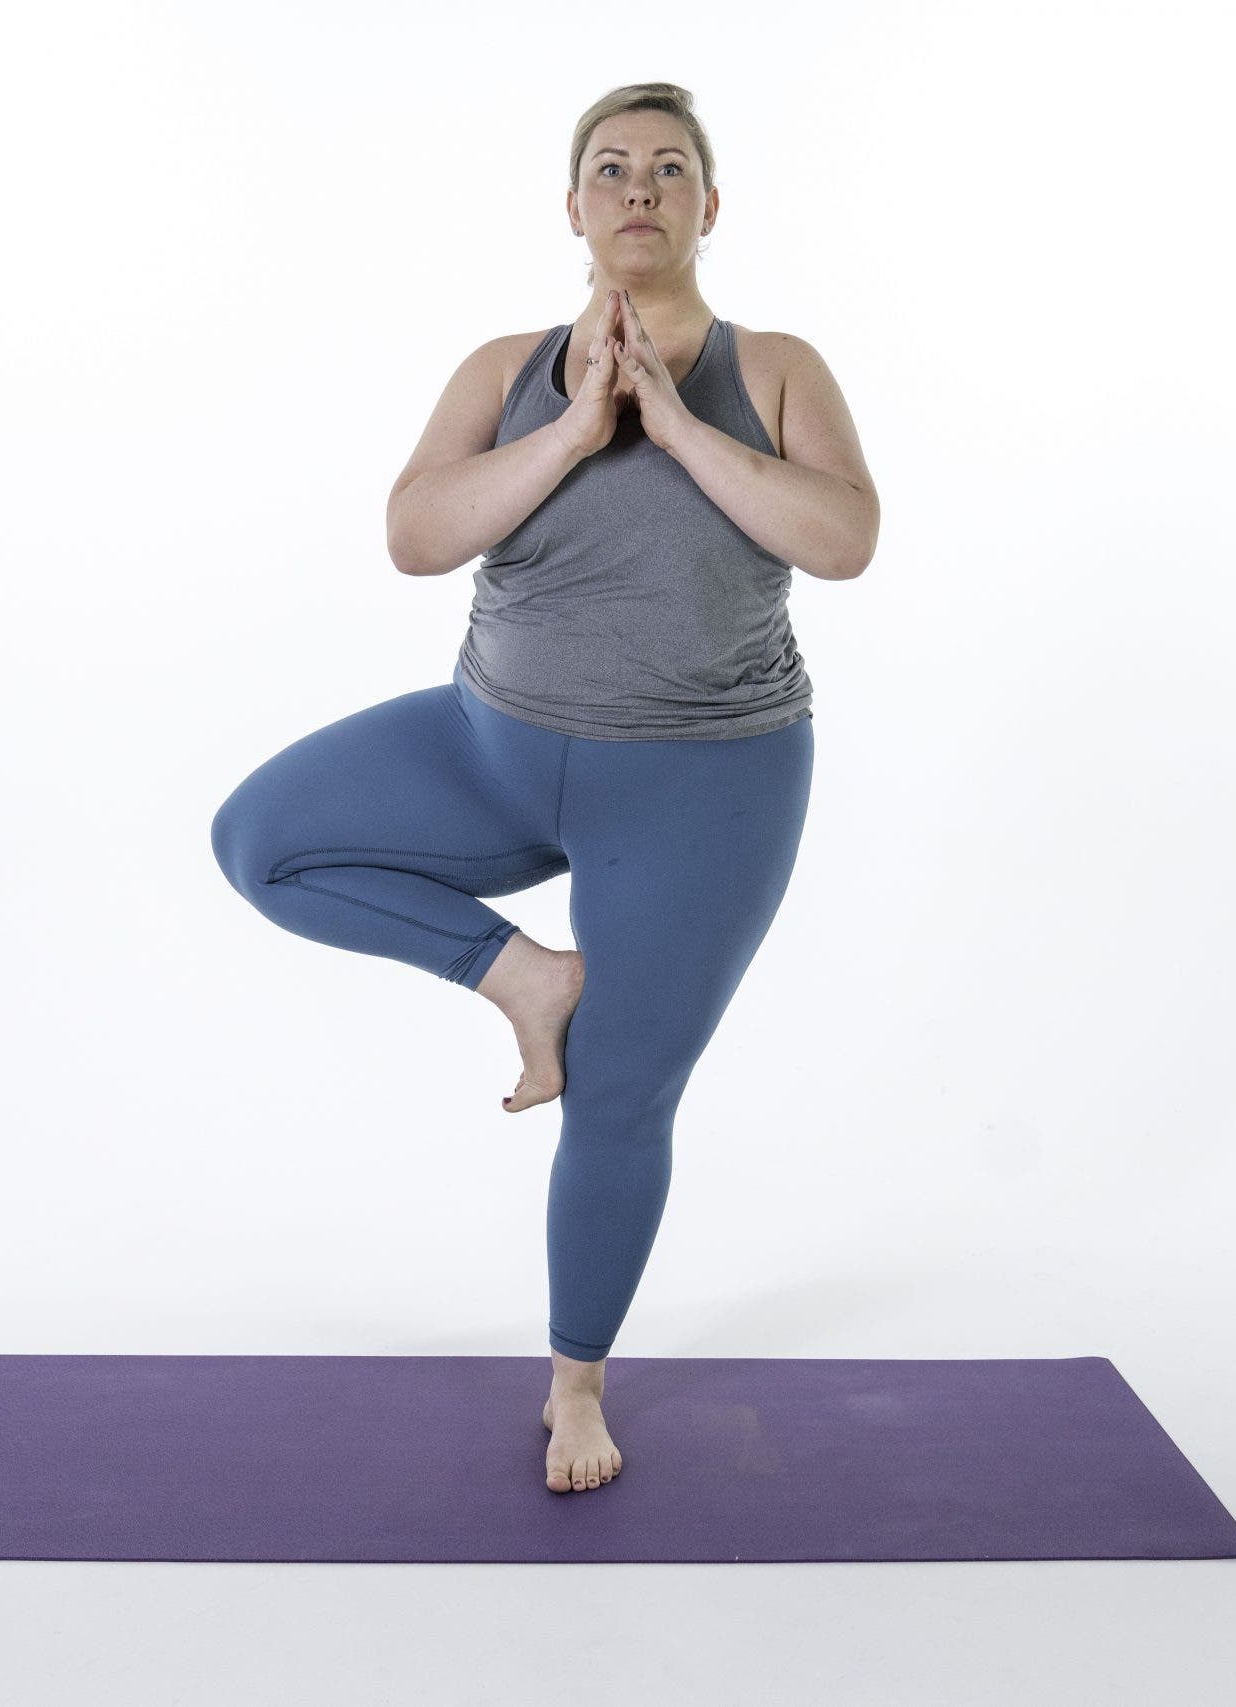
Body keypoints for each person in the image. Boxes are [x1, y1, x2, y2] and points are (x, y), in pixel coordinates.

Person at [210, 83, 877, 1494]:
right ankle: (522, 977)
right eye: (612, 168)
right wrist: (576, 429)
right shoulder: (505, 366)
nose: (641, 189)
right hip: (491, 745)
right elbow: (414, 536)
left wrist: (679, 428)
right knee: (264, 839)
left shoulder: (774, 370)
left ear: (709, 205)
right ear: (572, 207)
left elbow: (842, 539)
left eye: (671, 169)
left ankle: (576, 1388)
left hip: (706, 784)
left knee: (620, 1102)